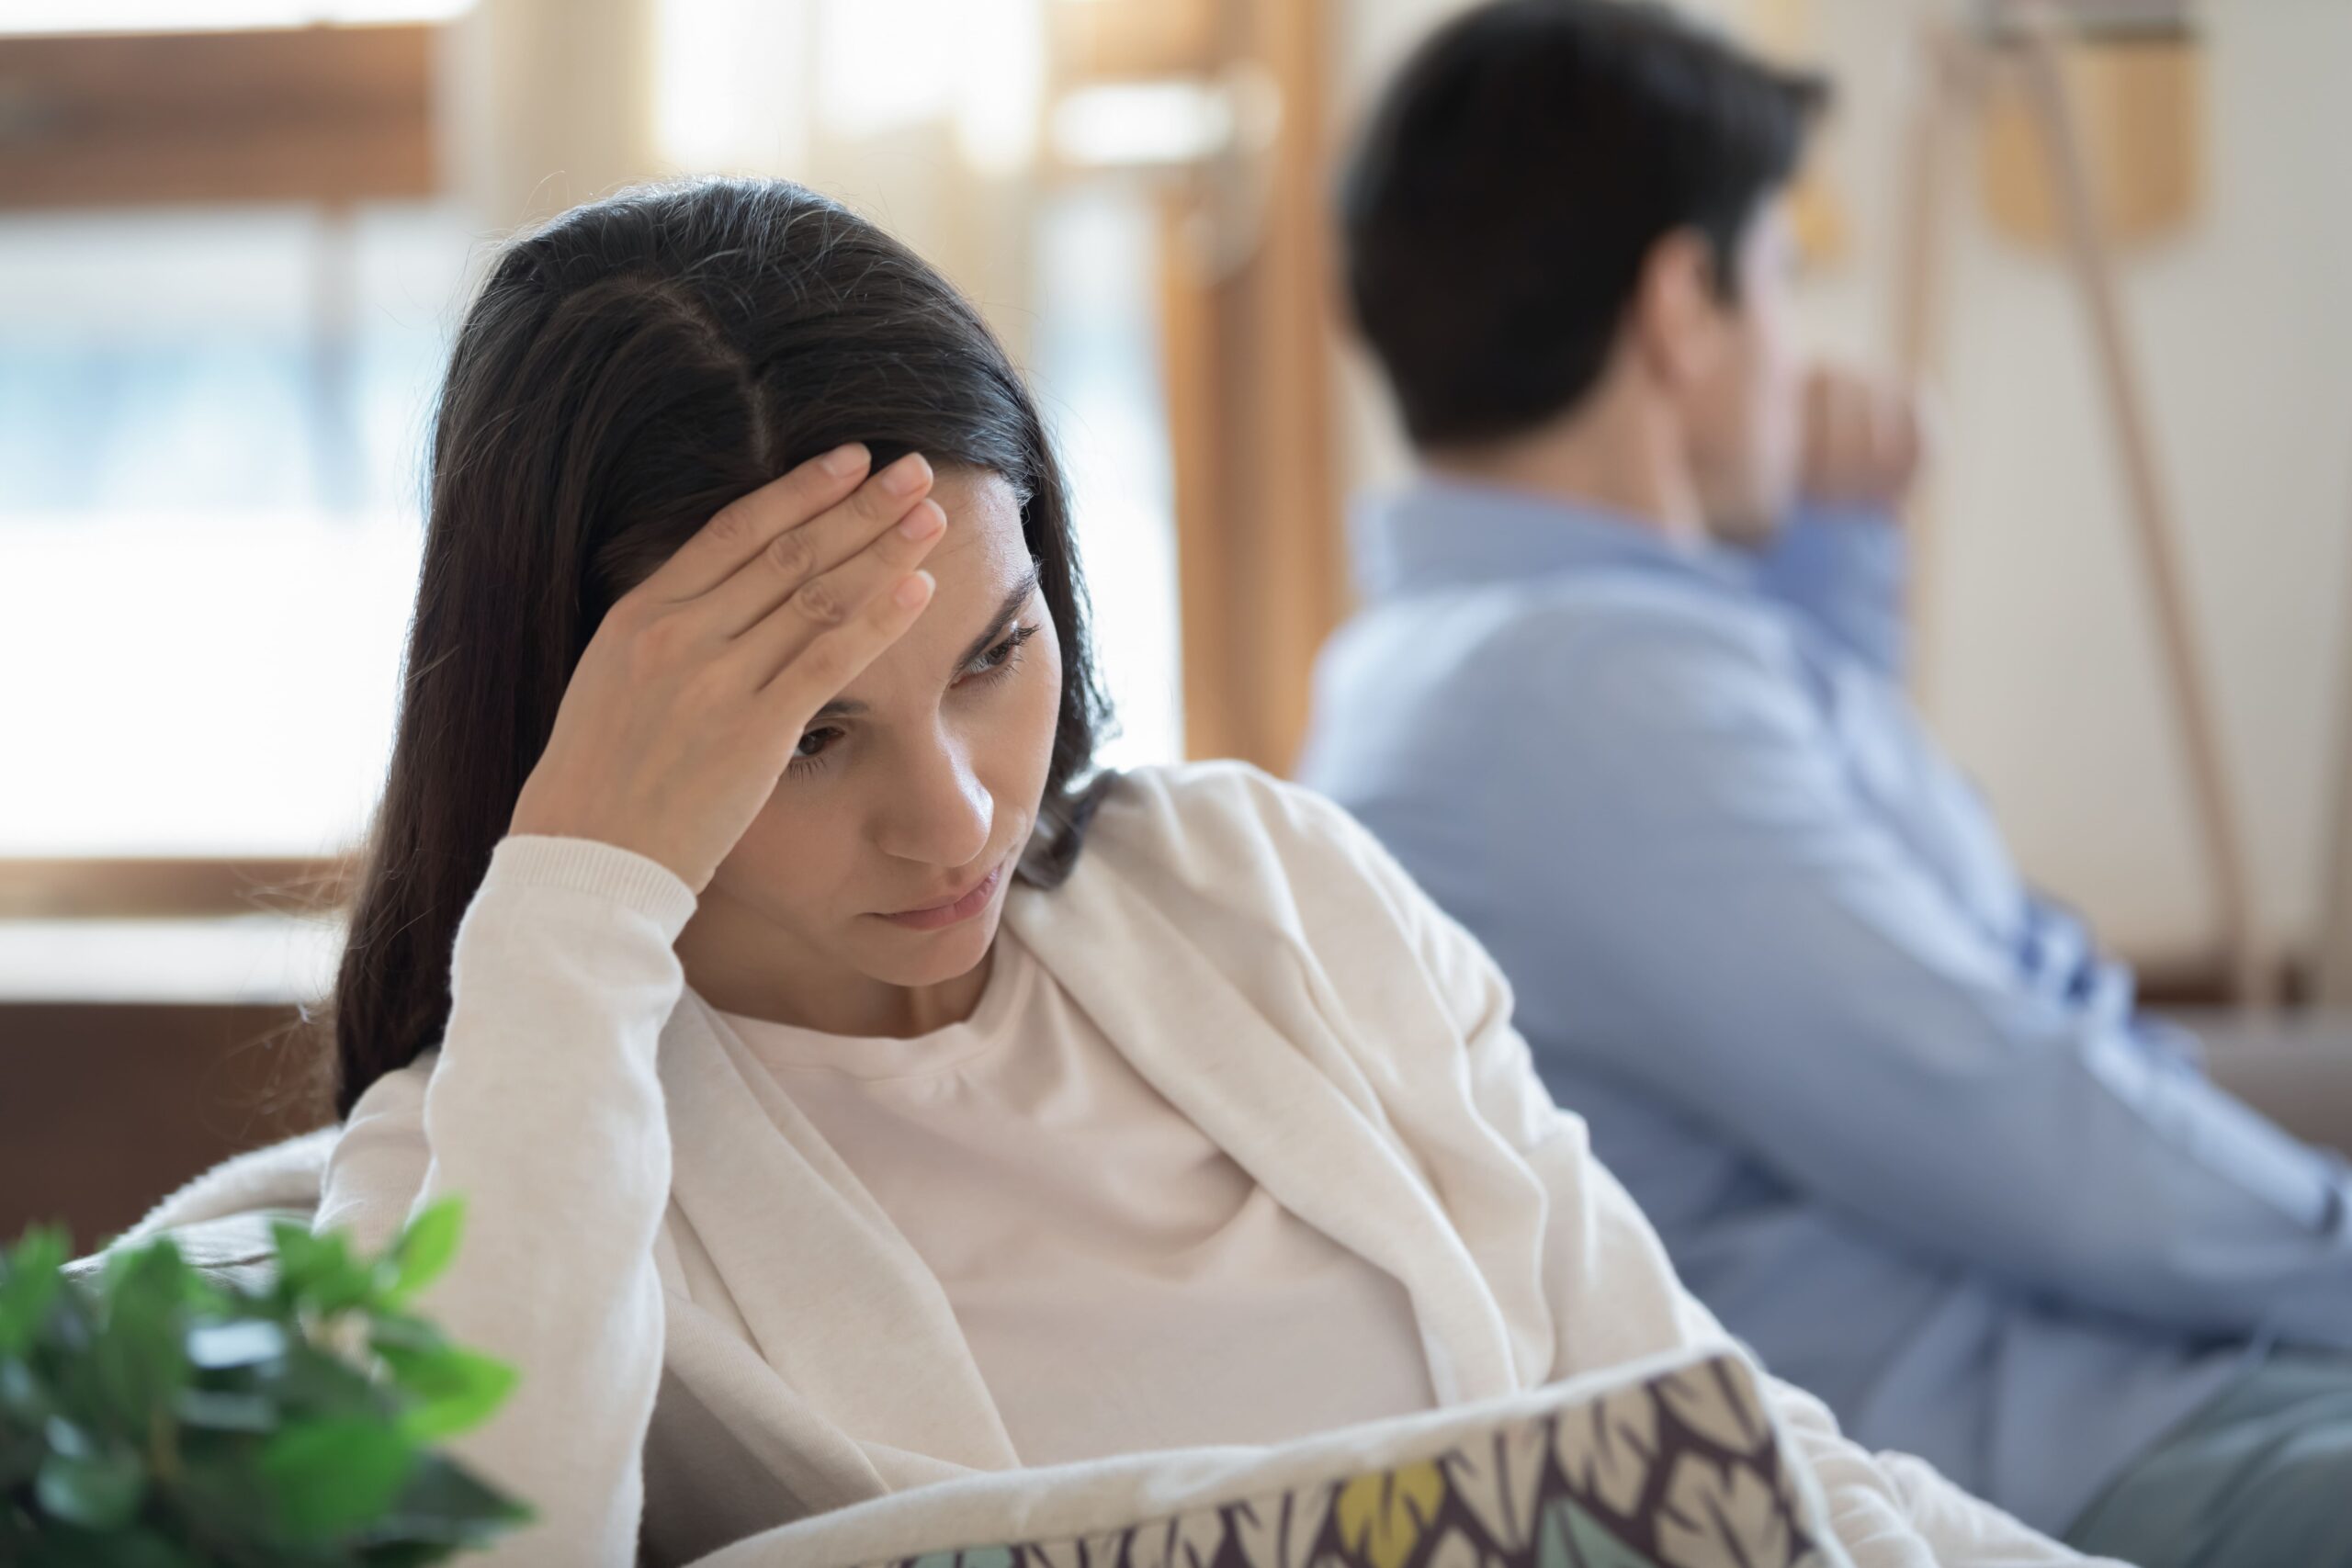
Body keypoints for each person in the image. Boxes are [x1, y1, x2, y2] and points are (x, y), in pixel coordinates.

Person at [309, 177, 2098, 1568]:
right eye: (806, 737)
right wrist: (573, 897)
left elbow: (1727, 1438)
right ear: (590, 731)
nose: (954, 823)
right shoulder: (494, 1150)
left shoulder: (1261, 888)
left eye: (992, 658)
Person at [1296, 4, 2352, 1565]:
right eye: (1782, 274)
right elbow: (2002, 1112)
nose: (1801, 345)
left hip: (2098, 1376)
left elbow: (1882, 885)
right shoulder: (1587, 701)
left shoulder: (1484, 657)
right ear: (1680, 309)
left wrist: (1824, 544)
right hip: (2047, 1434)